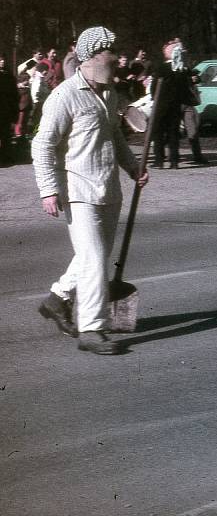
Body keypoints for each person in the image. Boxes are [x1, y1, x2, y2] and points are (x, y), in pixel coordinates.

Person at [32, 26, 148, 355]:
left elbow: (115, 136)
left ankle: (56, 299)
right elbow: (42, 146)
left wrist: (132, 167)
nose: (116, 57)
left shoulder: (109, 94)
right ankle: (91, 329)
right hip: (77, 190)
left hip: (108, 188)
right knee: (95, 258)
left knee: (92, 256)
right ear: (94, 56)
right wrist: (48, 190)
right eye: (111, 51)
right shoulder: (65, 96)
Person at [151, 39, 208, 169]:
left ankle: (159, 161)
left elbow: (154, 89)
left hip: (162, 105)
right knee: (173, 133)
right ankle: (174, 161)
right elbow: (188, 82)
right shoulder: (182, 70)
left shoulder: (161, 68)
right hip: (176, 105)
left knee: (159, 133)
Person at [0, 53, 18, 165]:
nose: (2, 62)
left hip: (6, 109)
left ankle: (6, 157)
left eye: (3, 59)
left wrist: (13, 111)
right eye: (0, 60)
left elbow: (14, 94)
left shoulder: (9, 75)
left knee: (6, 135)